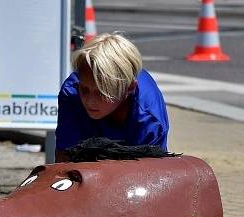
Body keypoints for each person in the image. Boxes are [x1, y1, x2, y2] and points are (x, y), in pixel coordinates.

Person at [55, 33, 169, 162]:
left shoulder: (149, 120)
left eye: (102, 93)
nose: (90, 101)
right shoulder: (72, 93)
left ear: (129, 88)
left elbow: (150, 174)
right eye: (85, 90)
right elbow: (63, 158)